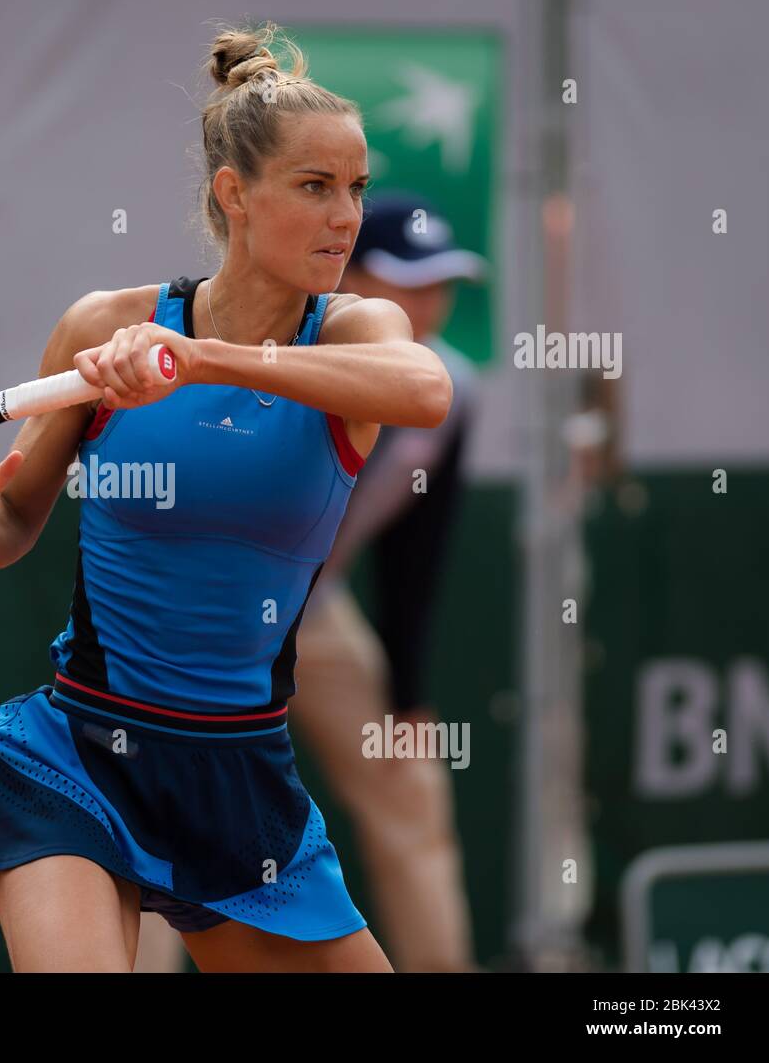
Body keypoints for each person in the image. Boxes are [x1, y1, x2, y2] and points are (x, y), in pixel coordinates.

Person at [0, 23, 452, 973]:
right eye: (315, 187)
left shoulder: (360, 327)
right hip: (74, 754)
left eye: (355, 188)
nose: (345, 216)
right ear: (233, 194)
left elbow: (426, 390)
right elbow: (15, 518)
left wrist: (202, 359)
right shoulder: (103, 326)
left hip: (239, 780)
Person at [287, 191, 484, 972]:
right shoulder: (283, 359)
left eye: (440, 282)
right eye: (408, 280)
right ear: (349, 278)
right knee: (169, 816)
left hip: (319, 616)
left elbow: (416, 551)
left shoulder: (452, 389)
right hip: (212, 617)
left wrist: (407, 695)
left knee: (412, 793)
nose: (428, 302)